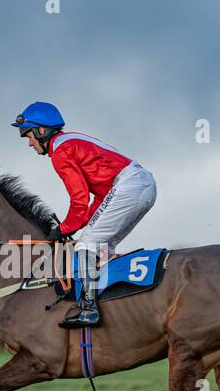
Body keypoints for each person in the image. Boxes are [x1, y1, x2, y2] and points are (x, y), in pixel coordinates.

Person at [12, 101, 157, 328]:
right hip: (139, 185)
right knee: (99, 247)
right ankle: (113, 304)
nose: (29, 143)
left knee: (85, 246)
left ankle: (89, 309)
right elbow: (99, 197)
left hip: (129, 187)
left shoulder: (60, 152)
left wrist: (62, 229)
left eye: (28, 136)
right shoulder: (70, 140)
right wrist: (77, 225)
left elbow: (79, 199)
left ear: (41, 130)